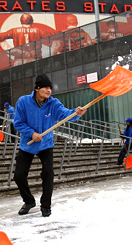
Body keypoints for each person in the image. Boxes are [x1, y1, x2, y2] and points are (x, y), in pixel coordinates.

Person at [13, 74, 87, 217]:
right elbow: (18, 123)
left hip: (45, 144)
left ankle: (45, 205)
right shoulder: (23, 102)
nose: (48, 90)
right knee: (19, 176)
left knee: (48, 173)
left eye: (50, 88)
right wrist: (31, 133)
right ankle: (29, 201)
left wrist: (76, 113)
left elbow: (65, 114)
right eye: (45, 87)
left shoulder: (53, 103)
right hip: (27, 145)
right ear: (37, 89)